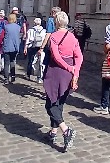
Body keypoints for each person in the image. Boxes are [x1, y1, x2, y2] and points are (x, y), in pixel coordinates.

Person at [43, 11, 83, 152]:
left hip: (56, 72)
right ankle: (53, 132)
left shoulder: (54, 36)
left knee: (50, 105)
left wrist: (69, 68)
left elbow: (56, 57)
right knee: (59, 103)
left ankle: (66, 130)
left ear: (56, 22)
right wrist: (75, 72)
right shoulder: (72, 37)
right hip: (68, 74)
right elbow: (79, 57)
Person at [24, 18, 46, 82]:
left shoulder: (31, 30)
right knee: (40, 62)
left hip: (32, 47)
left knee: (30, 61)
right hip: (41, 47)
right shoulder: (44, 30)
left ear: (34, 23)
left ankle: (28, 74)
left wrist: (25, 47)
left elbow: (28, 39)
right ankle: (39, 76)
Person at [2, 13, 21, 84]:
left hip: (7, 46)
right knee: (12, 61)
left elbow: (2, 36)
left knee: (6, 63)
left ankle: (6, 78)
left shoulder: (6, 27)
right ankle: (13, 76)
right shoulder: (18, 27)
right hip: (15, 47)